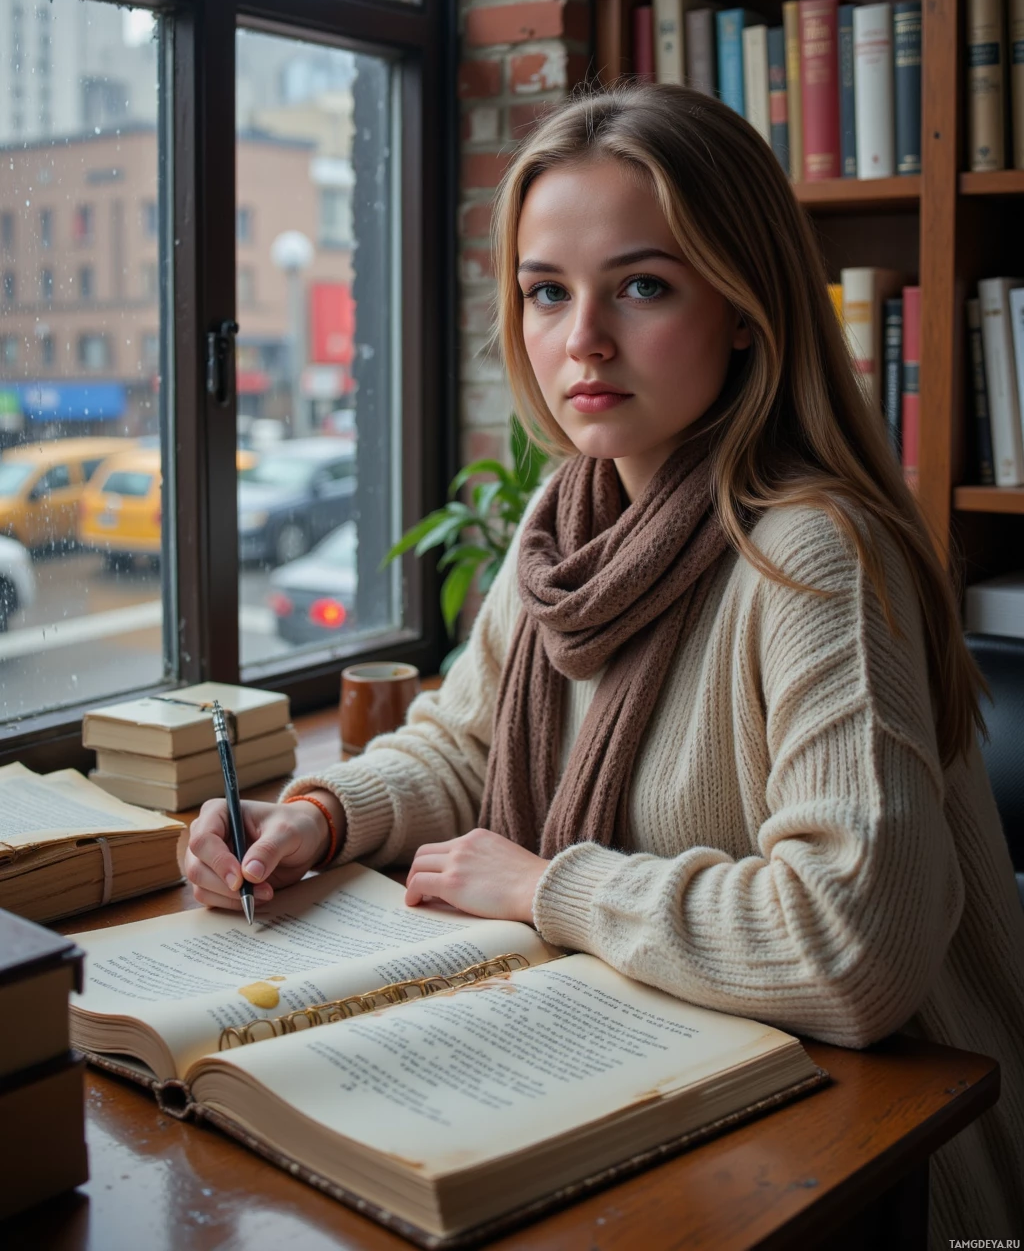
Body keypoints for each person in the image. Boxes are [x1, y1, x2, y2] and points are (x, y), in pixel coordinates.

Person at [186, 86, 1024, 1240]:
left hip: (883, 1174)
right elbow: (465, 745)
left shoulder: (814, 556)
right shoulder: (571, 516)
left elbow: (849, 946)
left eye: (640, 285)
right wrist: (317, 817)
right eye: (545, 292)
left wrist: (544, 887)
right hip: (658, 1078)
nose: (580, 339)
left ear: (742, 304)